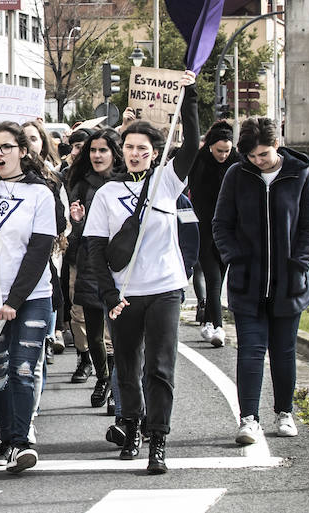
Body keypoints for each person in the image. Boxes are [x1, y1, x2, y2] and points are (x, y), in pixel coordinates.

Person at [84, 70, 198, 475]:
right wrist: (109, 296)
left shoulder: (166, 182)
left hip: (165, 290)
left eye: (142, 148)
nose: (135, 153)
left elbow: (193, 147)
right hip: (124, 294)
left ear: (154, 151)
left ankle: (158, 440)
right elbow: (94, 250)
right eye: (129, 147)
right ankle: (130, 426)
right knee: (128, 366)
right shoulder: (106, 194)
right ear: (121, 151)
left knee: (160, 368)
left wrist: (191, 96)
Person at [213, 117, 309, 445]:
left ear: (277, 146)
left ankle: (285, 412)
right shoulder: (236, 175)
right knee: (250, 350)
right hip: (248, 282)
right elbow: (221, 224)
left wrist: (299, 264)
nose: (257, 161)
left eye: (263, 155)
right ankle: (248, 419)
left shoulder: (299, 175)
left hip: (289, 283)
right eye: (251, 156)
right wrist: (236, 257)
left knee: (284, 351)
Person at [0, 122, 57, 475]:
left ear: (23, 151)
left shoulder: (42, 194)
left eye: (7, 147)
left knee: (24, 368)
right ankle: (6, 439)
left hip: (32, 296)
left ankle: (22, 442)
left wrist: (15, 300)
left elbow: (39, 251)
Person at [66, 128, 122, 414]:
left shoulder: (126, 183)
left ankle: (115, 387)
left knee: (116, 334)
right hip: (89, 263)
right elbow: (74, 236)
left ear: (114, 152)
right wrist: (78, 222)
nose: (97, 155)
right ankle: (103, 377)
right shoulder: (81, 183)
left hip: (120, 266)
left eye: (103, 150)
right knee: (94, 333)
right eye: (93, 150)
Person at [189, 120, 239, 347]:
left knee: (219, 275)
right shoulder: (199, 161)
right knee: (213, 278)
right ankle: (218, 326)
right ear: (210, 146)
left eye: (227, 151)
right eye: (219, 151)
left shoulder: (238, 163)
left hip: (229, 232)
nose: (223, 155)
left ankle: (208, 322)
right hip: (204, 230)